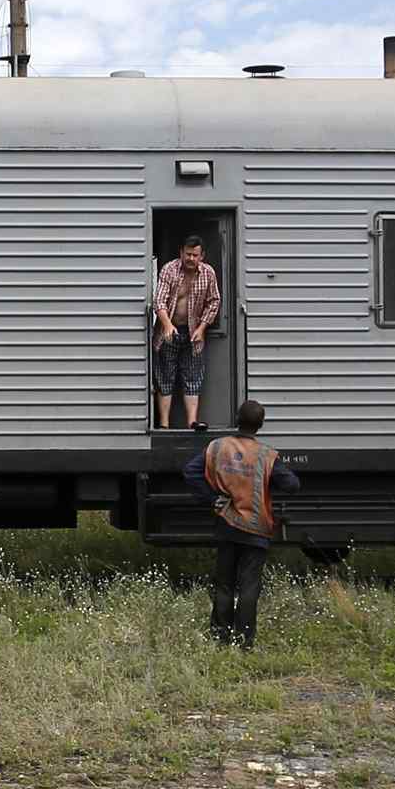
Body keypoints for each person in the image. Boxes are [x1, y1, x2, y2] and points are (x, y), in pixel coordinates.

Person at [186, 397, 299, 647]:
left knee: (224, 583)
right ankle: (244, 640)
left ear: (237, 420)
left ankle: (220, 636)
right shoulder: (266, 456)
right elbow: (292, 485)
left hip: (226, 524)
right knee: (249, 586)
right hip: (256, 530)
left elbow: (191, 472)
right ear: (260, 425)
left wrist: (211, 498)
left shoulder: (218, 447)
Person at [153, 236, 223, 430]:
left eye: (195, 255)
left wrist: (202, 328)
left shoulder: (208, 273)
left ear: (202, 256)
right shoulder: (169, 269)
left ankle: (192, 423)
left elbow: (214, 301)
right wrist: (166, 324)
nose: (191, 258)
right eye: (188, 254)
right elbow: (159, 300)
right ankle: (164, 425)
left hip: (194, 332)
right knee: (165, 377)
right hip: (169, 330)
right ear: (181, 252)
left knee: (193, 377)